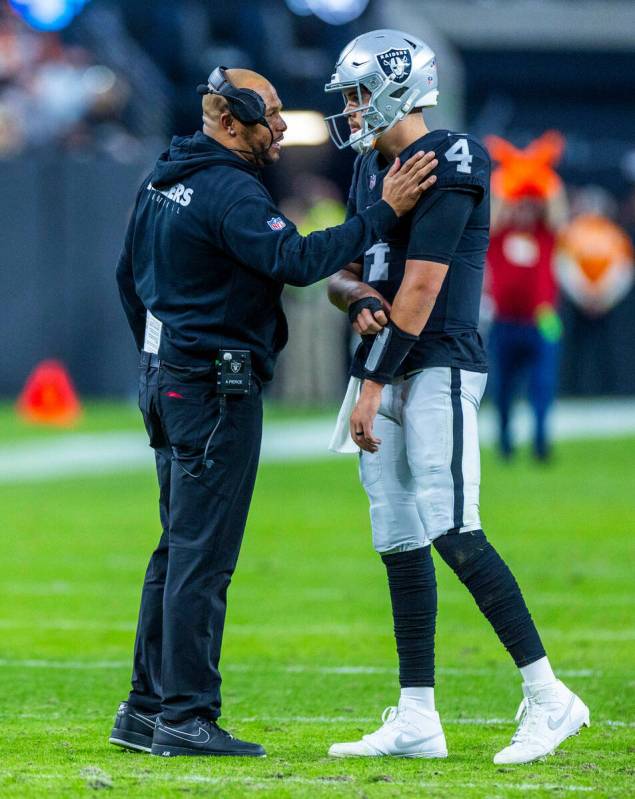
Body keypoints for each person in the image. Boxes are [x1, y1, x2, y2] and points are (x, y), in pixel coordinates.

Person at [111, 65, 436, 758]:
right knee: (202, 558)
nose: (283, 126)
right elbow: (294, 258)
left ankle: (144, 709)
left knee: (175, 549)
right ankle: (185, 715)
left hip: (165, 377)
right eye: (270, 116)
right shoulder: (229, 189)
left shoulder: (165, 172)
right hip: (211, 389)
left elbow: (125, 277)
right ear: (229, 122)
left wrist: (161, 354)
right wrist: (383, 211)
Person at [325, 30, 589, 764]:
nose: (349, 109)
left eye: (355, 92)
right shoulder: (368, 167)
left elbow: (423, 284)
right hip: (381, 360)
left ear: (395, 86)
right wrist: (354, 302)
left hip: (434, 361)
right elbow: (345, 269)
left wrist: (372, 381)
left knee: (452, 525)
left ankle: (548, 695)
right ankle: (416, 714)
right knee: (397, 534)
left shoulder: (455, 157)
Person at [485, 132, 568, 461]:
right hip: (504, 320)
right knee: (503, 388)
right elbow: (495, 210)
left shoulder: (545, 233)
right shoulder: (499, 231)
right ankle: (505, 441)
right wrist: (512, 177)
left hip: (542, 319)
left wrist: (540, 174)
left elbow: (557, 208)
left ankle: (541, 442)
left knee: (543, 384)